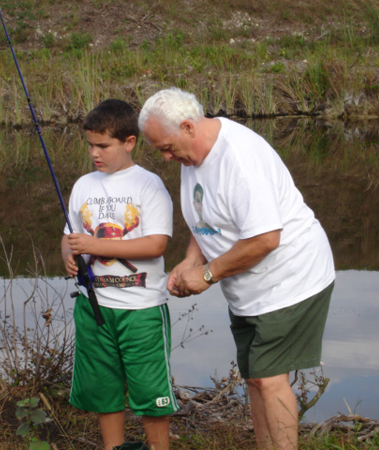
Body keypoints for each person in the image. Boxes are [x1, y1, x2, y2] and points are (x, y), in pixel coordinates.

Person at [138, 87, 335, 450]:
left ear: (188, 126)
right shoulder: (193, 156)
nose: (166, 157)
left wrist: (208, 273)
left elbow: (265, 239)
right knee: (255, 378)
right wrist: (190, 261)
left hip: (290, 276)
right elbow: (208, 219)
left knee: (269, 378)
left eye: (166, 147)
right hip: (247, 285)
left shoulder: (239, 160)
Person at [61, 99, 177, 450]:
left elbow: (156, 244)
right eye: (91, 146)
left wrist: (96, 246)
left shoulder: (149, 184)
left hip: (140, 310)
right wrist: (69, 255)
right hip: (94, 307)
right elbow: (69, 235)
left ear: (129, 142)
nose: (95, 153)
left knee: (150, 393)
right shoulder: (83, 185)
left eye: (104, 146)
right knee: (103, 391)